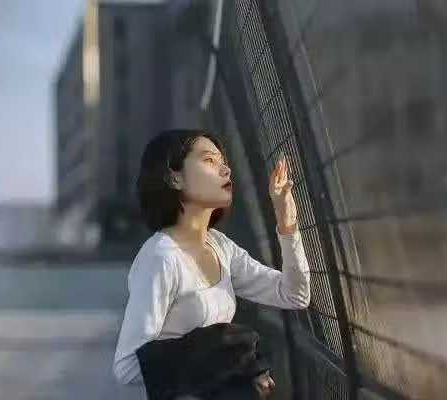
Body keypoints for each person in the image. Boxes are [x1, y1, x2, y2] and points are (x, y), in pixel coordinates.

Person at [112, 129, 311, 398]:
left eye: (223, 161)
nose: (225, 169)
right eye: (209, 160)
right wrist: (220, 349)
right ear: (174, 177)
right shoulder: (161, 257)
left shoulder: (219, 245)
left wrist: (287, 224)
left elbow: (294, 294)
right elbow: (127, 367)